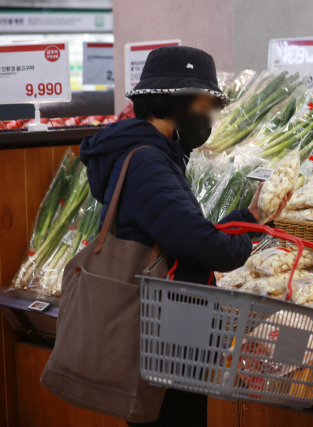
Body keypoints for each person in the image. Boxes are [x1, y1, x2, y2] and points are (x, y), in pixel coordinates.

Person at [80, 46, 292, 427]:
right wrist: (243, 241)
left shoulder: (154, 153)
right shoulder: (147, 161)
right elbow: (205, 246)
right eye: (204, 104)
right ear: (177, 101)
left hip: (165, 324)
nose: (208, 115)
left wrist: (253, 216)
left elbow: (181, 232)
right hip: (161, 330)